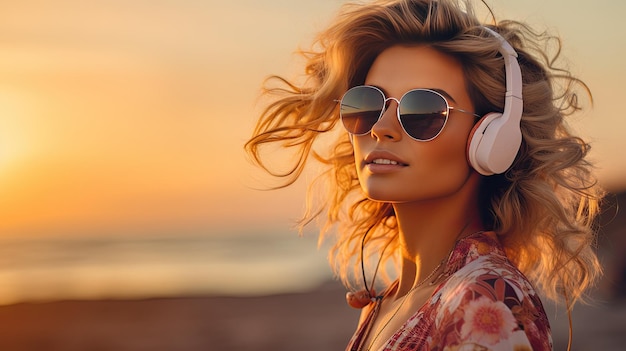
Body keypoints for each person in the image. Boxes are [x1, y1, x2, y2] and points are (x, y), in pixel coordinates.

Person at [245, 0, 603, 350]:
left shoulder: (488, 300)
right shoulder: (386, 300)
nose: (381, 128)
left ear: (492, 139)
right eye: (367, 104)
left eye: (423, 110)